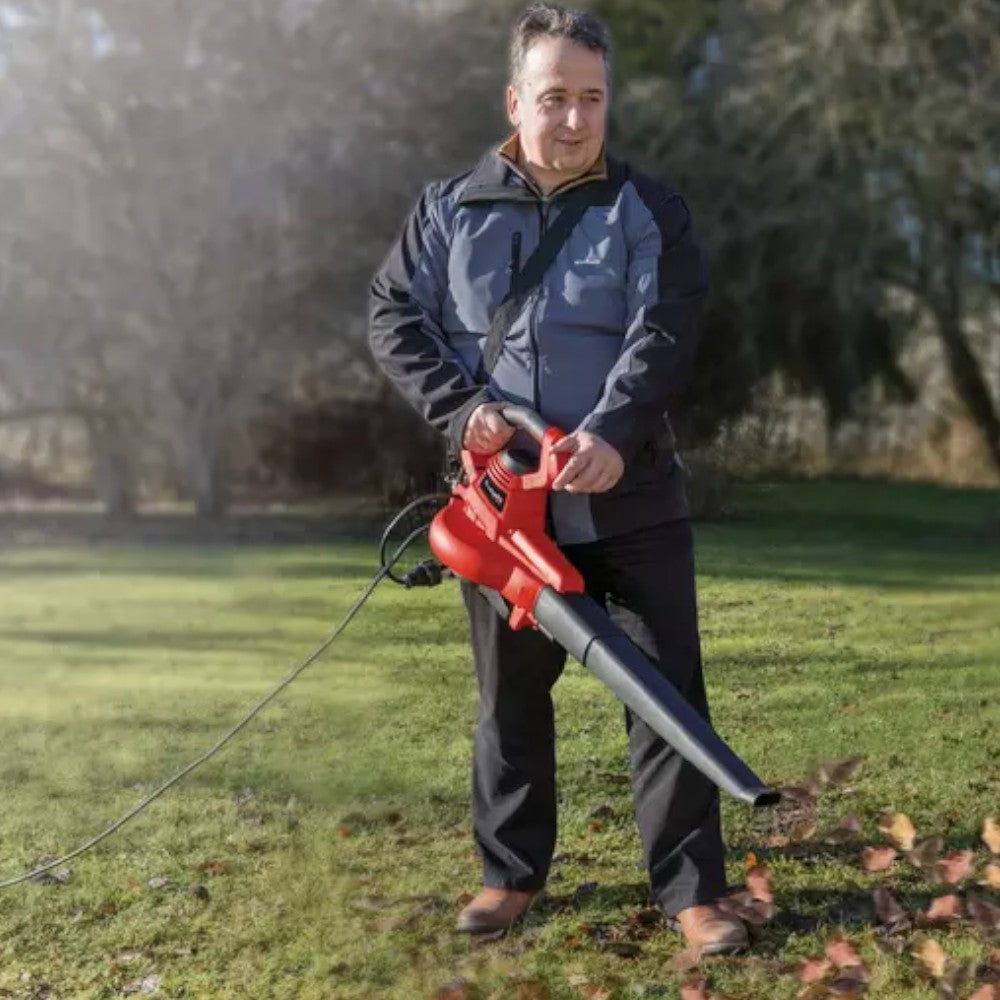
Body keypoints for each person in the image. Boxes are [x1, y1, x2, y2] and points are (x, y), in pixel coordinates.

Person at [368, 2, 748, 955]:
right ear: (515, 100)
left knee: (665, 693)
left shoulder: (649, 210)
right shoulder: (445, 210)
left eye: (592, 98)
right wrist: (462, 412)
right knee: (508, 701)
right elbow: (392, 318)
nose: (575, 119)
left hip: (631, 497)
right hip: (502, 513)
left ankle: (693, 892)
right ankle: (511, 874)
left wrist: (615, 431)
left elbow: (664, 330)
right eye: (554, 98)